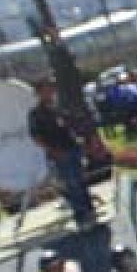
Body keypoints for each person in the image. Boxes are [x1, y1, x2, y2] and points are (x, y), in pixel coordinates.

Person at [27, 77, 95, 229]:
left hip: (72, 149)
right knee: (72, 185)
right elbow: (36, 138)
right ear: (39, 93)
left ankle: (90, 211)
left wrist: (82, 141)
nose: (50, 91)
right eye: (46, 89)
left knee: (81, 181)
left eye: (51, 88)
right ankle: (82, 216)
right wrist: (53, 151)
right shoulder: (36, 114)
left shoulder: (58, 109)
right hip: (59, 154)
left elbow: (71, 126)